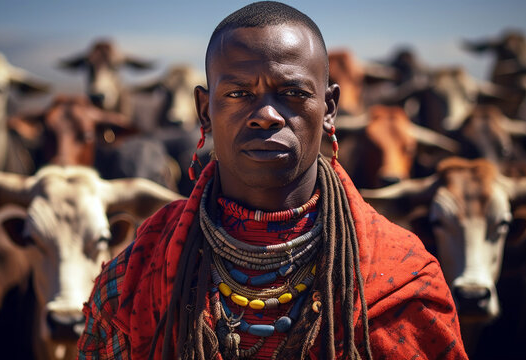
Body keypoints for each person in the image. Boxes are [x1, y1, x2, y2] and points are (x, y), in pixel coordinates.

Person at [77, 2, 468, 359]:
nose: (266, 114)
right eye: (238, 93)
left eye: (293, 92)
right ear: (204, 110)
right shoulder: (133, 278)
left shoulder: (403, 279)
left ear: (329, 109)